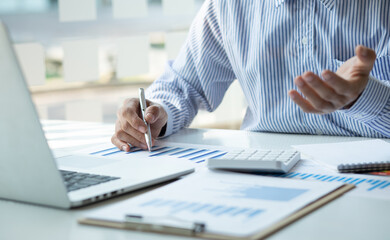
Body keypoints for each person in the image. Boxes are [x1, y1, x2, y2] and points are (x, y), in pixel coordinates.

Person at [112, 0, 390, 152]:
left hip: (373, 174)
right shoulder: (229, 6)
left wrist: (365, 99)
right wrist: (154, 113)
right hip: (265, 169)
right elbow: (185, 84)